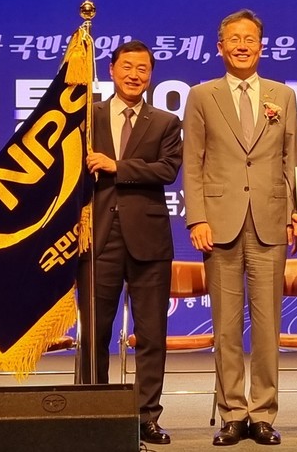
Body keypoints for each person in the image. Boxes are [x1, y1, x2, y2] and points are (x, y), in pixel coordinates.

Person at [182, 9, 297, 446]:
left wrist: (293, 212)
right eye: (234, 39)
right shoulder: (201, 96)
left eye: (250, 39)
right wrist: (197, 217)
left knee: (268, 327)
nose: (242, 45)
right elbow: (193, 162)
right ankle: (232, 412)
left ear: (261, 46)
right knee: (226, 326)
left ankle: (264, 413)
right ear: (220, 47)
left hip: (270, 222)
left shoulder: (283, 95)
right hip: (219, 224)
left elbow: (290, 160)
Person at [79, 40, 182, 445]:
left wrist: (117, 166)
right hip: (98, 238)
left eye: (142, 68)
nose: (134, 75)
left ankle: (146, 416)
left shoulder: (165, 121)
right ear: (111, 70)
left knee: (151, 335)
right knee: (95, 333)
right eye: (127, 67)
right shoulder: (88, 116)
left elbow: (167, 169)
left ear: (150, 75)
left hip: (149, 241)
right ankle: (95, 412)